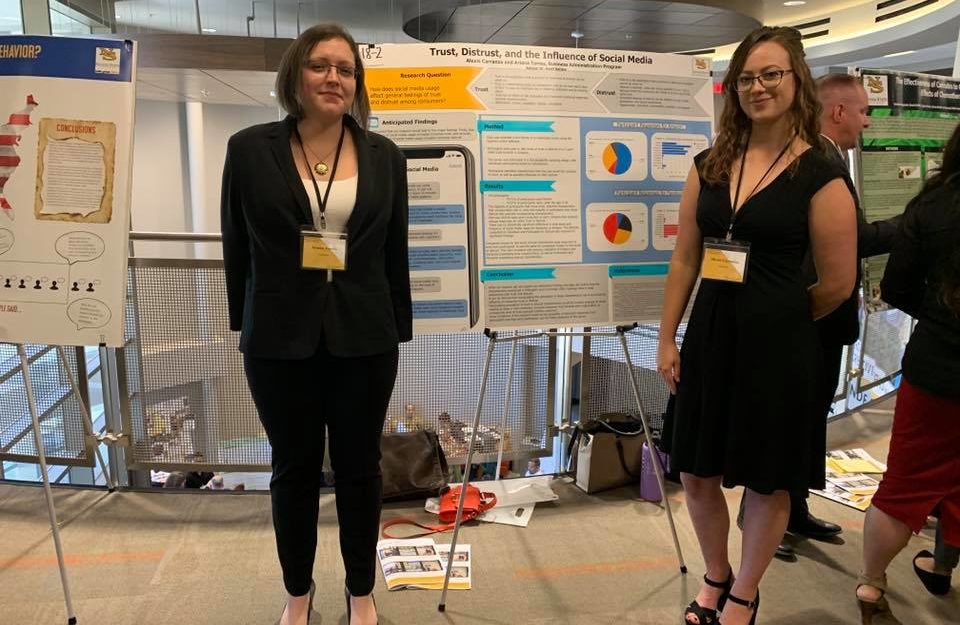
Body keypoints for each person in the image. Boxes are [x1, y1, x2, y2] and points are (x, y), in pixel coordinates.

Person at [657, 26, 857, 625]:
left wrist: (784, 323)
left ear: (796, 81)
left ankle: (744, 590)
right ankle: (715, 574)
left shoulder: (821, 171)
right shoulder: (712, 163)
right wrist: (668, 337)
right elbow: (686, 257)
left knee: (768, 481)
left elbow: (838, 283)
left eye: (771, 74)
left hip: (780, 348)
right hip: (711, 336)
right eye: (746, 77)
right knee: (696, 472)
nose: (758, 86)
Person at [220, 23, 412, 625]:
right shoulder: (249, 149)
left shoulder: (385, 156)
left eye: (346, 69)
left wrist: (396, 324)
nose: (334, 78)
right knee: (293, 469)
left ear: (357, 83)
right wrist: (243, 321)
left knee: (360, 469)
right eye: (321, 65)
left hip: (365, 336)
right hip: (278, 337)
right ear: (295, 75)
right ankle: (297, 594)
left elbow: (393, 250)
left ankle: (360, 592)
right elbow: (236, 246)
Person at [739, 73, 903, 560]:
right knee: (789, 421)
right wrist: (908, 225)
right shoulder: (816, 161)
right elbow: (851, 241)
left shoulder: (818, 156)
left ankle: (794, 509)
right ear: (837, 113)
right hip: (807, 316)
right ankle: (763, 516)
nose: (866, 122)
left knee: (809, 419)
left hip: (820, 318)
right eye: (863, 111)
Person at [856, 122, 960, 623]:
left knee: (904, 485)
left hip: (938, 369)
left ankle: (872, 585)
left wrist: (942, 315)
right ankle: (940, 568)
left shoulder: (933, 206)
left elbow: (896, 287)